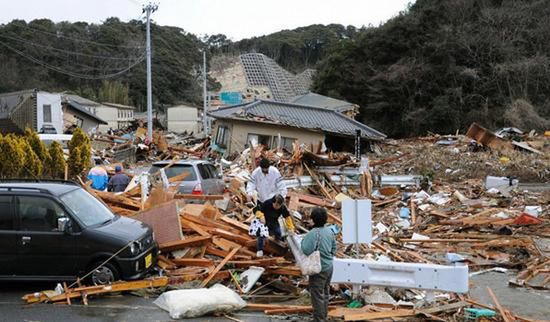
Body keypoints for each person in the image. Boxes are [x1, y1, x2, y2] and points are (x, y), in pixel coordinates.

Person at [301, 207, 337, 322]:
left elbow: (306, 250)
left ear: (314, 219)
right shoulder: (329, 231)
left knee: (317, 296)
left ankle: (319, 319)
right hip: (329, 267)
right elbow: (334, 249)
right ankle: (324, 316)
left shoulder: (312, 233)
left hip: (318, 268)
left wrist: (302, 241)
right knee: (325, 293)